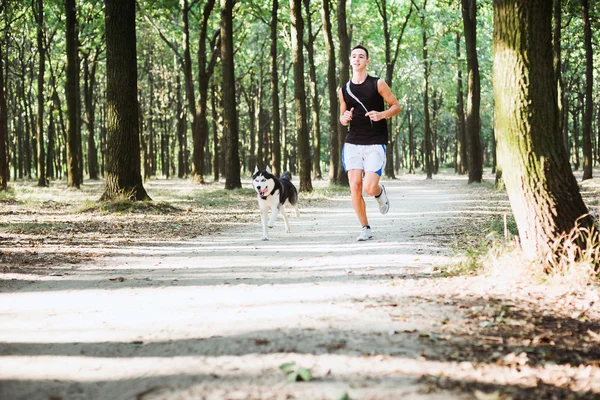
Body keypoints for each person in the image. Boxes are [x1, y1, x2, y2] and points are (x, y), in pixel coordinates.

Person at [339, 44, 402, 241]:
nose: (357, 59)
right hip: (353, 143)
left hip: (375, 142)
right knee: (355, 186)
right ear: (350, 61)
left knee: (368, 187)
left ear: (367, 61)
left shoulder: (378, 84)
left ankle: (379, 191)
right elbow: (341, 118)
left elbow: (396, 106)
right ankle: (365, 227)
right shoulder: (344, 89)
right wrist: (345, 117)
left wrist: (381, 114)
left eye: (361, 56)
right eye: (354, 56)